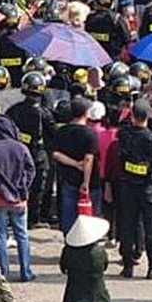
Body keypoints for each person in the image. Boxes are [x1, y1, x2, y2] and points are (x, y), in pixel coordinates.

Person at [115, 98, 152, 279]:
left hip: (128, 187)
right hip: (148, 189)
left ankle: (127, 265)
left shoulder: (124, 135)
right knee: (151, 228)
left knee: (127, 226)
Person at [0, 115, 37, 281]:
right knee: (22, 234)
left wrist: (0, 189)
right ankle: (26, 272)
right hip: (19, 198)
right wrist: (22, 187)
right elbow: (31, 170)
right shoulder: (21, 148)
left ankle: (3, 273)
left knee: (0, 236)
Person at [50, 97, 100, 235]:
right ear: (86, 113)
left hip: (68, 178)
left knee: (69, 214)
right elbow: (89, 159)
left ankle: (70, 242)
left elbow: (55, 154)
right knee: (89, 215)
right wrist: (86, 182)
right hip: (90, 182)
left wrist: (74, 164)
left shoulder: (61, 131)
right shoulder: (90, 134)